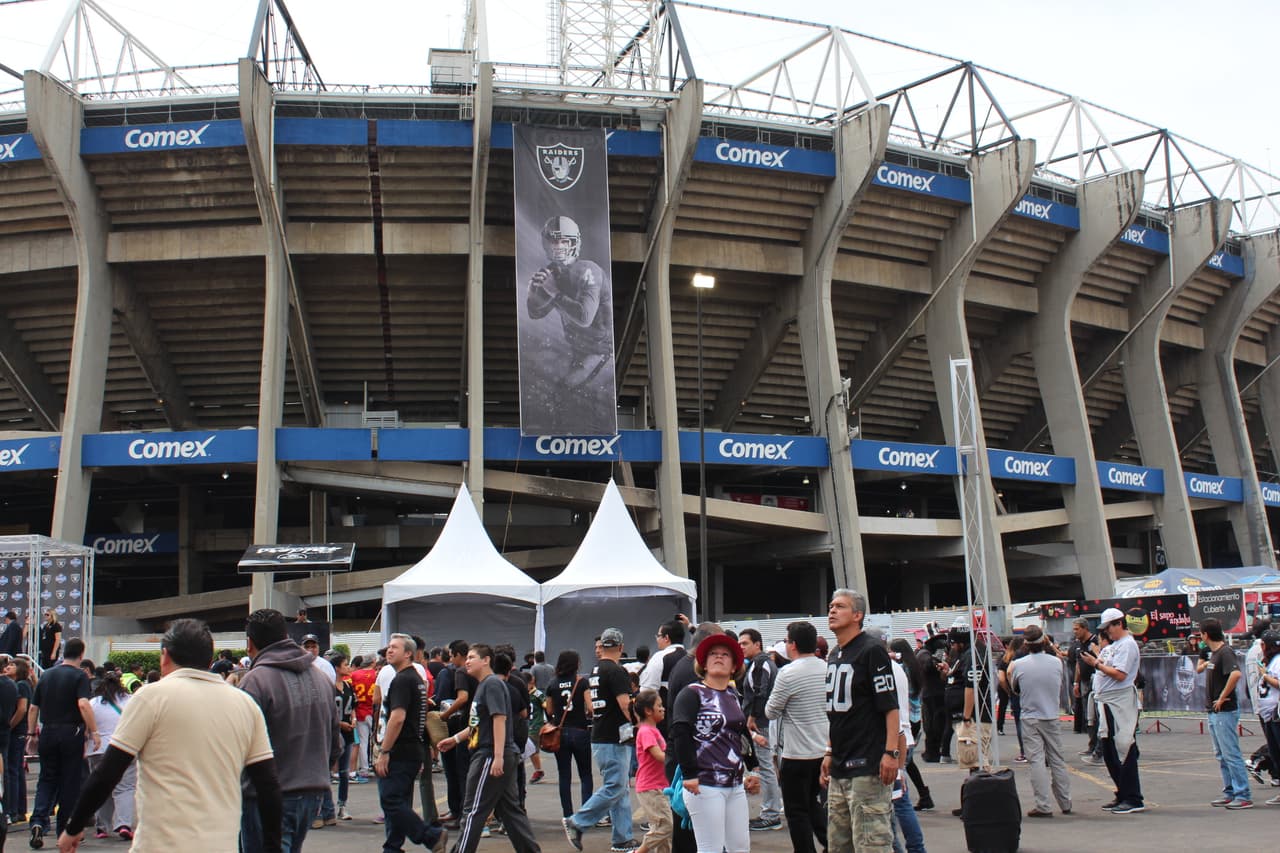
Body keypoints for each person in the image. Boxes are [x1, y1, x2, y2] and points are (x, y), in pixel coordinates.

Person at [55, 619, 283, 853]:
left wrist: (73, 827)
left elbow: (107, 773)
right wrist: (272, 847)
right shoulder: (245, 705)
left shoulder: (150, 698)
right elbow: (268, 786)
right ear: (210, 660)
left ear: (164, 656)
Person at [239, 608, 341, 852]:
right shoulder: (321, 678)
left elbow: (239, 745)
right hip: (312, 790)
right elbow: (334, 742)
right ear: (286, 635)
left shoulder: (255, 681)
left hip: (267, 796)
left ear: (250, 643)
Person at [437, 644, 540, 853]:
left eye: (472, 657)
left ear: (486, 661)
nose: (467, 661)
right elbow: (478, 723)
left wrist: (498, 756)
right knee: (511, 811)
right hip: (494, 752)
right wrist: (455, 739)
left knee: (473, 810)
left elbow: (499, 719)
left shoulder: (491, 684)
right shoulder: (484, 685)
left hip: (489, 753)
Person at [823, 589, 899, 853]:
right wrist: (829, 751)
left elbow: (890, 707)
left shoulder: (871, 651)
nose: (832, 610)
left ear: (857, 615)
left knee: (871, 844)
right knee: (838, 845)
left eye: (840, 606)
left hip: (867, 766)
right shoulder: (834, 653)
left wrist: (890, 752)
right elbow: (836, 713)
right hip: (840, 767)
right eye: (831, 606)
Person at [669, 633, 759, 853]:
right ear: (704, 663)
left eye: (725, 654)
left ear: (734, 665)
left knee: (740, 847)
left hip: (735, 783)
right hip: (704, 783)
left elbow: (742, 733)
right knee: (710, 848)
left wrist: (754, 768)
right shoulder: (692, 693)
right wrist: (690, 774)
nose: (719, 657)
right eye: (713, 654)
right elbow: (680, 731)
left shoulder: (732, 694)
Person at [562, 627, 638, 853]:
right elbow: (625, 704)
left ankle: (622, 838)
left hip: (601, 733)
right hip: (613, 736)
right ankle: (578, 822)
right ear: (622, 648)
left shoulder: (595, 671)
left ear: (602, 646)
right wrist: (639, 724)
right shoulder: (616, 671)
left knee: (619, 788)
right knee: (615, 786)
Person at [525, 215, 614, 404]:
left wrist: (554, 292)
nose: (558, 246)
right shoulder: (553, 272)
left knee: (562, 393)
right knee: (542, 384)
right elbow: (535, 313)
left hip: (600, 352)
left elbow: (584, 317)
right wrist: (533, 294)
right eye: (554, 241)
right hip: (576, 349)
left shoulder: (588, 270)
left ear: (574, 242)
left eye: (564, 241)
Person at [375, 634, 446, 853]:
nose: (389, 650)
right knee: (399, 801)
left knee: (390, 800)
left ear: (408, 653)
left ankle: (429, 836)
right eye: (389, 647)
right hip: (412, 748)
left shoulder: (403, 680)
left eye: (395, 647)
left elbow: (397, 717)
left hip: (401, 750)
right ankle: (393, 847)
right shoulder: (416, 679)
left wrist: (385, 751)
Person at [28, 637, 98, 847]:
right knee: (69, 782)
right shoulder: (79, 676)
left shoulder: (47, 675)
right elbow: (84, 704)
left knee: (47, 778)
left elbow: (33, 708)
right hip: (71, 732)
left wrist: (31, 734)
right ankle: (64, 829)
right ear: (81, 654)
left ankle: (38, 821)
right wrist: (94, 731)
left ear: (63, 652)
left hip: (48, 731)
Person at [766, 621, 828, 853]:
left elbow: (771, 711)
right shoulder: (828, 668)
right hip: (824, 750)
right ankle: (830, 842)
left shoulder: (788, 673)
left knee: (796, 810)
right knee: (813, 803)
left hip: (796, 753)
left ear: (792, 645)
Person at [1078, 607, 1144, 814]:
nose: (1107, 633)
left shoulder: (1127, 645)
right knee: (1109, 749)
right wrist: (1099, 661)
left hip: (1119, 700)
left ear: (1118, 624)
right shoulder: (1116, 646)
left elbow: (1120, 674)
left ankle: (1133, 797)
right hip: (1107, 700)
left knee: (1123, 747)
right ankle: (1123, 792)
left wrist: (1096, 663)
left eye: (1109, 628)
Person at [1008, 625, 1071, 818]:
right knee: (1057, 760)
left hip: (1030, 716)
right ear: (1044, 641)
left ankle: (1043, 805)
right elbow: (1061, 685)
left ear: (1025, 644)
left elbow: (1014, 688)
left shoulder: (1019, 664)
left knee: (1036, 761)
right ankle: (1065, 801)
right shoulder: (1057, 662)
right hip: (1051, 715)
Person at [1195, 618, 1251, 808]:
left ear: (1206, 634)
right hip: (1214, 710)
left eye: (1201, 633)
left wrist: (1221, 697)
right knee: (1221, 754)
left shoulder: (1225, 652)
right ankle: (1230, 790)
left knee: (1230, 753)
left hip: (1224, 710)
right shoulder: (1215, 653)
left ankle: (1242, 794)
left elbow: (1236, 674)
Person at [738, 629, 782, 832]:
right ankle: (771, 810)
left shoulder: (760, 663)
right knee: (767, 766)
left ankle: (771, 813)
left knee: (766, 767)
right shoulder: (760, 663)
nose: (741, 647)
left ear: (757, 644)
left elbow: (760, 691)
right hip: (762, 721)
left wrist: (752, 717)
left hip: (761, 722)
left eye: (745, 643)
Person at [84, 672, 135, 840]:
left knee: (101, 788)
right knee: (125, 788)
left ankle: (101, 827)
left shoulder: (93, 703)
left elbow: (87, 725)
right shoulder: (129, 701)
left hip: (98, 749)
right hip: (124, 748)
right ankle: (123, 824)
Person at [546, 650, 593, 818]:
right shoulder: (582, 682)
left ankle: (567, 814)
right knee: (585, 774)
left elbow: (549, 709)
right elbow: (590, 708)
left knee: (564, 775)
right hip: (580, 731)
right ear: (576, 664)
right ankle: (586, 813)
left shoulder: (552, 684)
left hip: (561, 732)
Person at [889, 639, 933, 813]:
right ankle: (924, 794)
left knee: (903, 762)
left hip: (905, 718)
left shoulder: (901, 669)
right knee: (908, 761)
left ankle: (903, 797)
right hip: (915, 718)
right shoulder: (914, 667)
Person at [435, 639, 475, 829]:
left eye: (452, 656)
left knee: (458, 771)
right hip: (475, 728)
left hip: (460, 727)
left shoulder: (457, 672)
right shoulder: (484, 676)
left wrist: (445, 714)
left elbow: (460, 698)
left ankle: (461, 814)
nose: (450, 660)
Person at [317, 652, 356, 825]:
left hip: (348, 732)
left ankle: (342, 805)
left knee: (344, 773)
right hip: (334, 731)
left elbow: (353, 706)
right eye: (345, 664)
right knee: (326, 771)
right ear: (336, 668)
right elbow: (327, 712)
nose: (348, 667)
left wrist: (353, 719)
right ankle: (325, 809)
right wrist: (340, 724)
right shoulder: (328, 687)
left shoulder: (348, 686)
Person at [633, 690, 671, 853]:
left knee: (662, 830)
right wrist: (675, 757)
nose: (663, 709)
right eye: (659, 706)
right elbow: (658, 755)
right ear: (648, 711)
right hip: (650, 788)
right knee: (666, 826)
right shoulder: (646, 731)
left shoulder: (653, 730)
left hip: (658, 786)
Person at [1068, 618, 1101, 762]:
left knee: (1098, 715)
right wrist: (1076, 682)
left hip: (1096, 681)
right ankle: (1092, 744)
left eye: (1077, 629)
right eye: (1074, 629)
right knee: (1089, 716)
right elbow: (1078, 665)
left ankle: (1099, 747)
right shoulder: (1078, 645)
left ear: (1084, 628)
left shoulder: (1095, 641)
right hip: (1084, 682)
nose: (1074, 632)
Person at [1253, 630, 1280, 805]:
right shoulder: (1270, 661)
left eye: (1263, 644)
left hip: (1277, 714)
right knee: (1276, 755)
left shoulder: (1277, 662)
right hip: (1269, 714)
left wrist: (1265, 675)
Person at [7, 656, 31, 824]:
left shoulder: (21, 685)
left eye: (13, 665)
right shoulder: (21, 685)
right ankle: (20, 809)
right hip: (18, 732)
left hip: (17, 733)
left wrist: (10, 725)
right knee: (17, 770)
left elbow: (22, 709)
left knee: (12, 770)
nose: (8, 667)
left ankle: (14, 810)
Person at [350, 656, 379, 778]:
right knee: (377, 739)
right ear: (373, 663)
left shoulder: (354, 675)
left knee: (363, 741)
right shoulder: (376, 674)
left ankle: (364, 768)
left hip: (360, 710)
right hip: (374, 710)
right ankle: (375, 764)